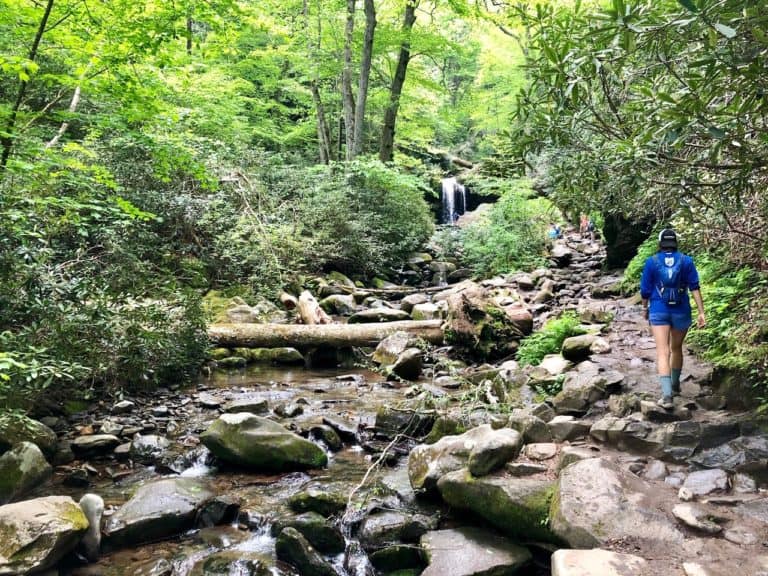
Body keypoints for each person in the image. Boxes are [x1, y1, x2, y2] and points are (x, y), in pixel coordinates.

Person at [640, 229, 706, 409]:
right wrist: (701, 312)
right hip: (681, 310)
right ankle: (676, 385)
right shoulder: (686, 261)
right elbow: (694, 287)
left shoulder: (652, 262)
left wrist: (645, 308)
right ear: (675, 242)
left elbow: (645, 290)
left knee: (662, 352)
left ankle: (667, 396)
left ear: (660, 243)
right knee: (676, 348)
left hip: (659, 310)